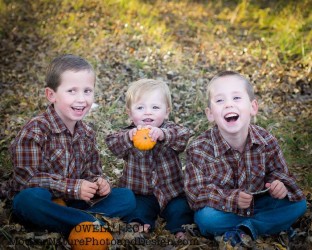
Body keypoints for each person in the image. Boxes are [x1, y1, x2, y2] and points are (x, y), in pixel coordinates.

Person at [1, 54, 135, 239]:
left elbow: (91, 172)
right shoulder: (35, 130)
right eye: (72, 91)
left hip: (74, 203)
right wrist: (73, 187)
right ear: (51, 95)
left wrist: (98, 183)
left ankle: (74, 223)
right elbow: (26, 180)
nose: (81, 99)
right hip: (43, 201)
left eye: (87, 91)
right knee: (27, 200)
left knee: (126, 197)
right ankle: (92, 224)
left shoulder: (87, 133)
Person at [184, 71, 307, 247]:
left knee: (299, 204)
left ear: (253, 107)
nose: (228, 105)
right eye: (220, 100)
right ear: (210, 114)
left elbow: (279, 172)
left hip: (260, 202)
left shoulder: (266, 141)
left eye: (236, 98)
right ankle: (269, 224)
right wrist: (231, 199)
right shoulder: (199, 149)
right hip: (223, 210)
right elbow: (196, 193)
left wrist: (278, 185)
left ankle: (247, 228)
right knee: (206, 219)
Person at [105, 79, 193, 238]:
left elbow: (183, 136)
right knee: (136, 208)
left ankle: (179, 229)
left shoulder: (170, 130)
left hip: (171, 192)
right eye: (140, 107)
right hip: (141, 193)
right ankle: (139, 224)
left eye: (155, 107)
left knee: (180, 208)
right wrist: (128, 138)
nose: (148, 112)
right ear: (130, 113)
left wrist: (163, 135)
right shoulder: (128, 134)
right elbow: (113, 145)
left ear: (167, 112)